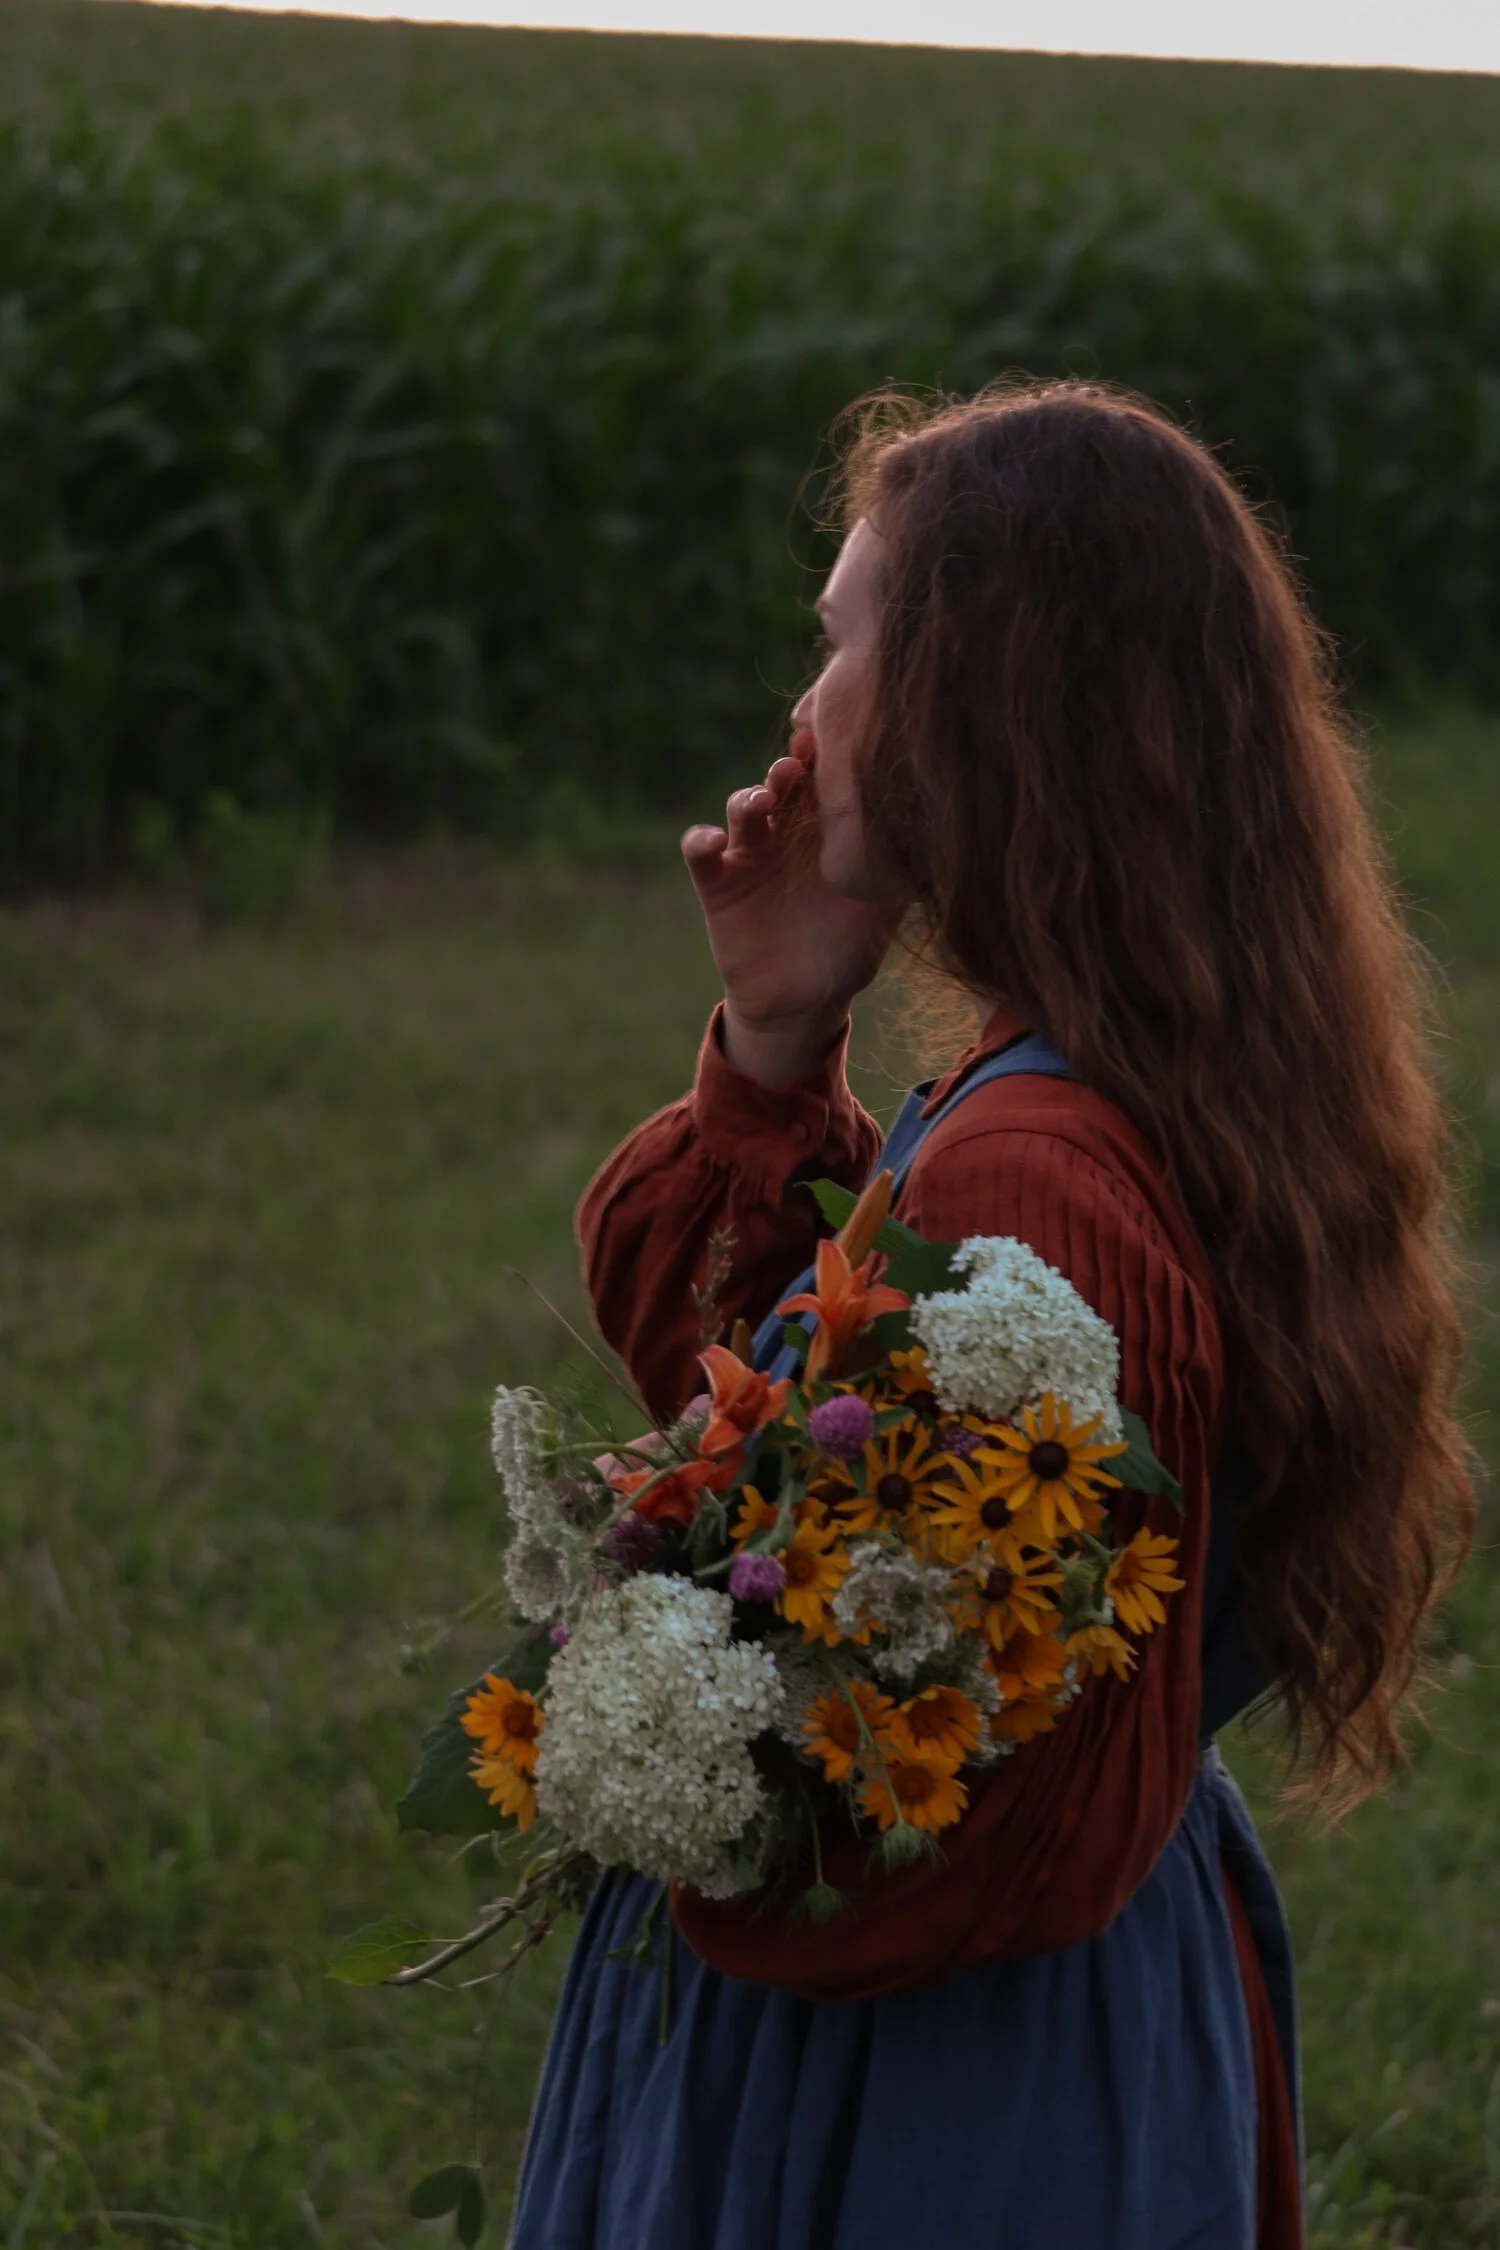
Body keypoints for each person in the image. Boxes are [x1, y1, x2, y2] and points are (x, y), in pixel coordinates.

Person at [505, 382, 1474, 2250]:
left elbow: (939, 1815)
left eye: (847, 647)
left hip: (940, 2085)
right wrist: (779, 1039)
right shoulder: (1084, 1088)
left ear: (988, 705)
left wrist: (667, 1773)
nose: (805, 712)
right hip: (1052, 2011)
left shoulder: (1032, 1174)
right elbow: (815, 1419)